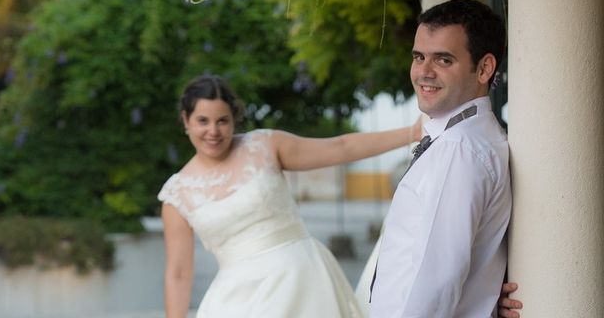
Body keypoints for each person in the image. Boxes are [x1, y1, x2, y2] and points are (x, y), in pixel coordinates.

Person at [158, 73, 522, 318]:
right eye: (203, 121)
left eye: (222, 120)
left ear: (234, 119)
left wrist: (410, 132)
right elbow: (177, 273)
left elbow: (341, 147)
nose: (213, 131)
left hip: (301, 278)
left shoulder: (265, 146)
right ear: (185, 121)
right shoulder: (177, 193)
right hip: (235, 297)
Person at [369, 0, 513, 317]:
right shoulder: (464, 137)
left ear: (485, 68)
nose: (423, 72)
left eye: (443, 60)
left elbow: (436, 282)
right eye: (419, 56)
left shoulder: (458, 150)